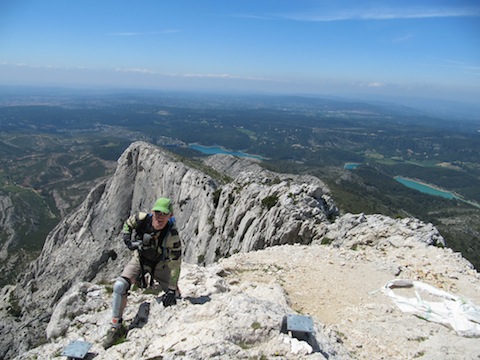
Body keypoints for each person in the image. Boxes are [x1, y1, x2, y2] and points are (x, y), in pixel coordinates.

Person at [103, 197, 182, 349]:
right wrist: (127, 239)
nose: (159, 216)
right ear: (152, 212)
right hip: (139, 260)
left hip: (160, 265)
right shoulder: (141, 219)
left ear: (170, 215)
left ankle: (168, 291)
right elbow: (128, 224)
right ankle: (116, 327)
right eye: (157, 212)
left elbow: (176, 263)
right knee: (119, 286)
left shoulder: (172, 235)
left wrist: (172, 289)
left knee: (176, 297)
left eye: (164, 214)